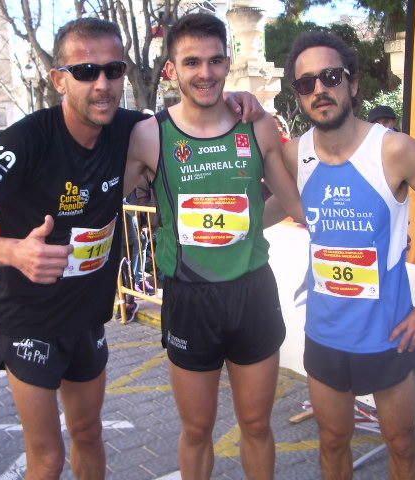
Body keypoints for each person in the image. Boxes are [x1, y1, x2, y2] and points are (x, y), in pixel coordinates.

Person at [0, 17, 262, 479]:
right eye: (86, 71)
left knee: (89, 434)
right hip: (30, 320)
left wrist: (237, 100)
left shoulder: (128, 130)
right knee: (47, 457)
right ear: (59, 80)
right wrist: (15, 253)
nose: (102, 84)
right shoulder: (27, 140)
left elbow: (193, 112)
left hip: (87, 318)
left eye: (113, 70)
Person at [266, 31, 415, 479]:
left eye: (330, 77)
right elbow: (278, 206)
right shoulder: (295, 153)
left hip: (389, 335)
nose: (320, 90)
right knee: (332, 444)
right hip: (324, 335)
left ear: (353, 83)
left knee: (400, 446)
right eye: (306, 84)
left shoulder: (392, 150)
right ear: (299, 96)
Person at [124, 14, 304, 480]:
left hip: (252, 294)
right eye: (192, 62)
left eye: (215, 60)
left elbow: (293, 204)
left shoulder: (257, 126)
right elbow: (102, 197)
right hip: (189, 298)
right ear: (171, 70)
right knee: (198, 429)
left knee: (258, 425)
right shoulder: (148, 136)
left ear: (228, 62)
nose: (205, 72)